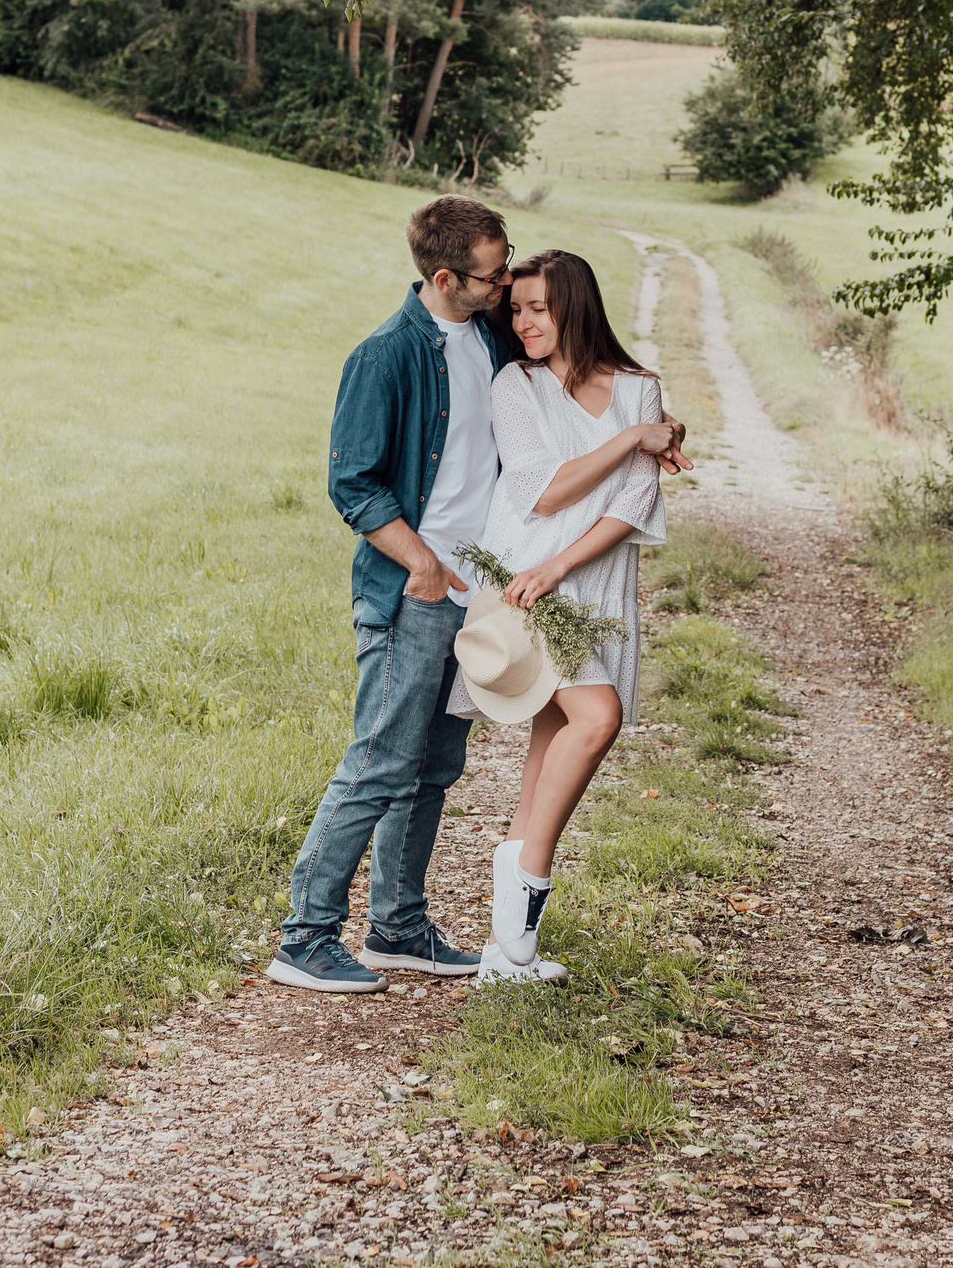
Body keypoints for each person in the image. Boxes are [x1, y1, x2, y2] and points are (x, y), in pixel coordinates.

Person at [267, 196, 521, 992]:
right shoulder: (384, 356)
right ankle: (305, 937)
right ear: (445, 277)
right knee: (379, 761)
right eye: (493, 272)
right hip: (415, 591)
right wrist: (421, 564)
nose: (506, 282)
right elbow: (353, 481)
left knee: (436, 764)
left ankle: (398, 926)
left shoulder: (488, 334)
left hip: (473, 594)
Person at [465, 248, 683, 982]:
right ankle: (524, 894)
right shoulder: (515, 385)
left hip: (596, 587)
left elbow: (635, 501)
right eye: (515, 308)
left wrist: (569, 564)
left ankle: (506, 947)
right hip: (527, 580)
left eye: (537, 308)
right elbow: (543, 490)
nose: (521, 321)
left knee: (553, 740)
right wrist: (628, 440)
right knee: (598, 717)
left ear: (575, 306)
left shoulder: (640, 387)